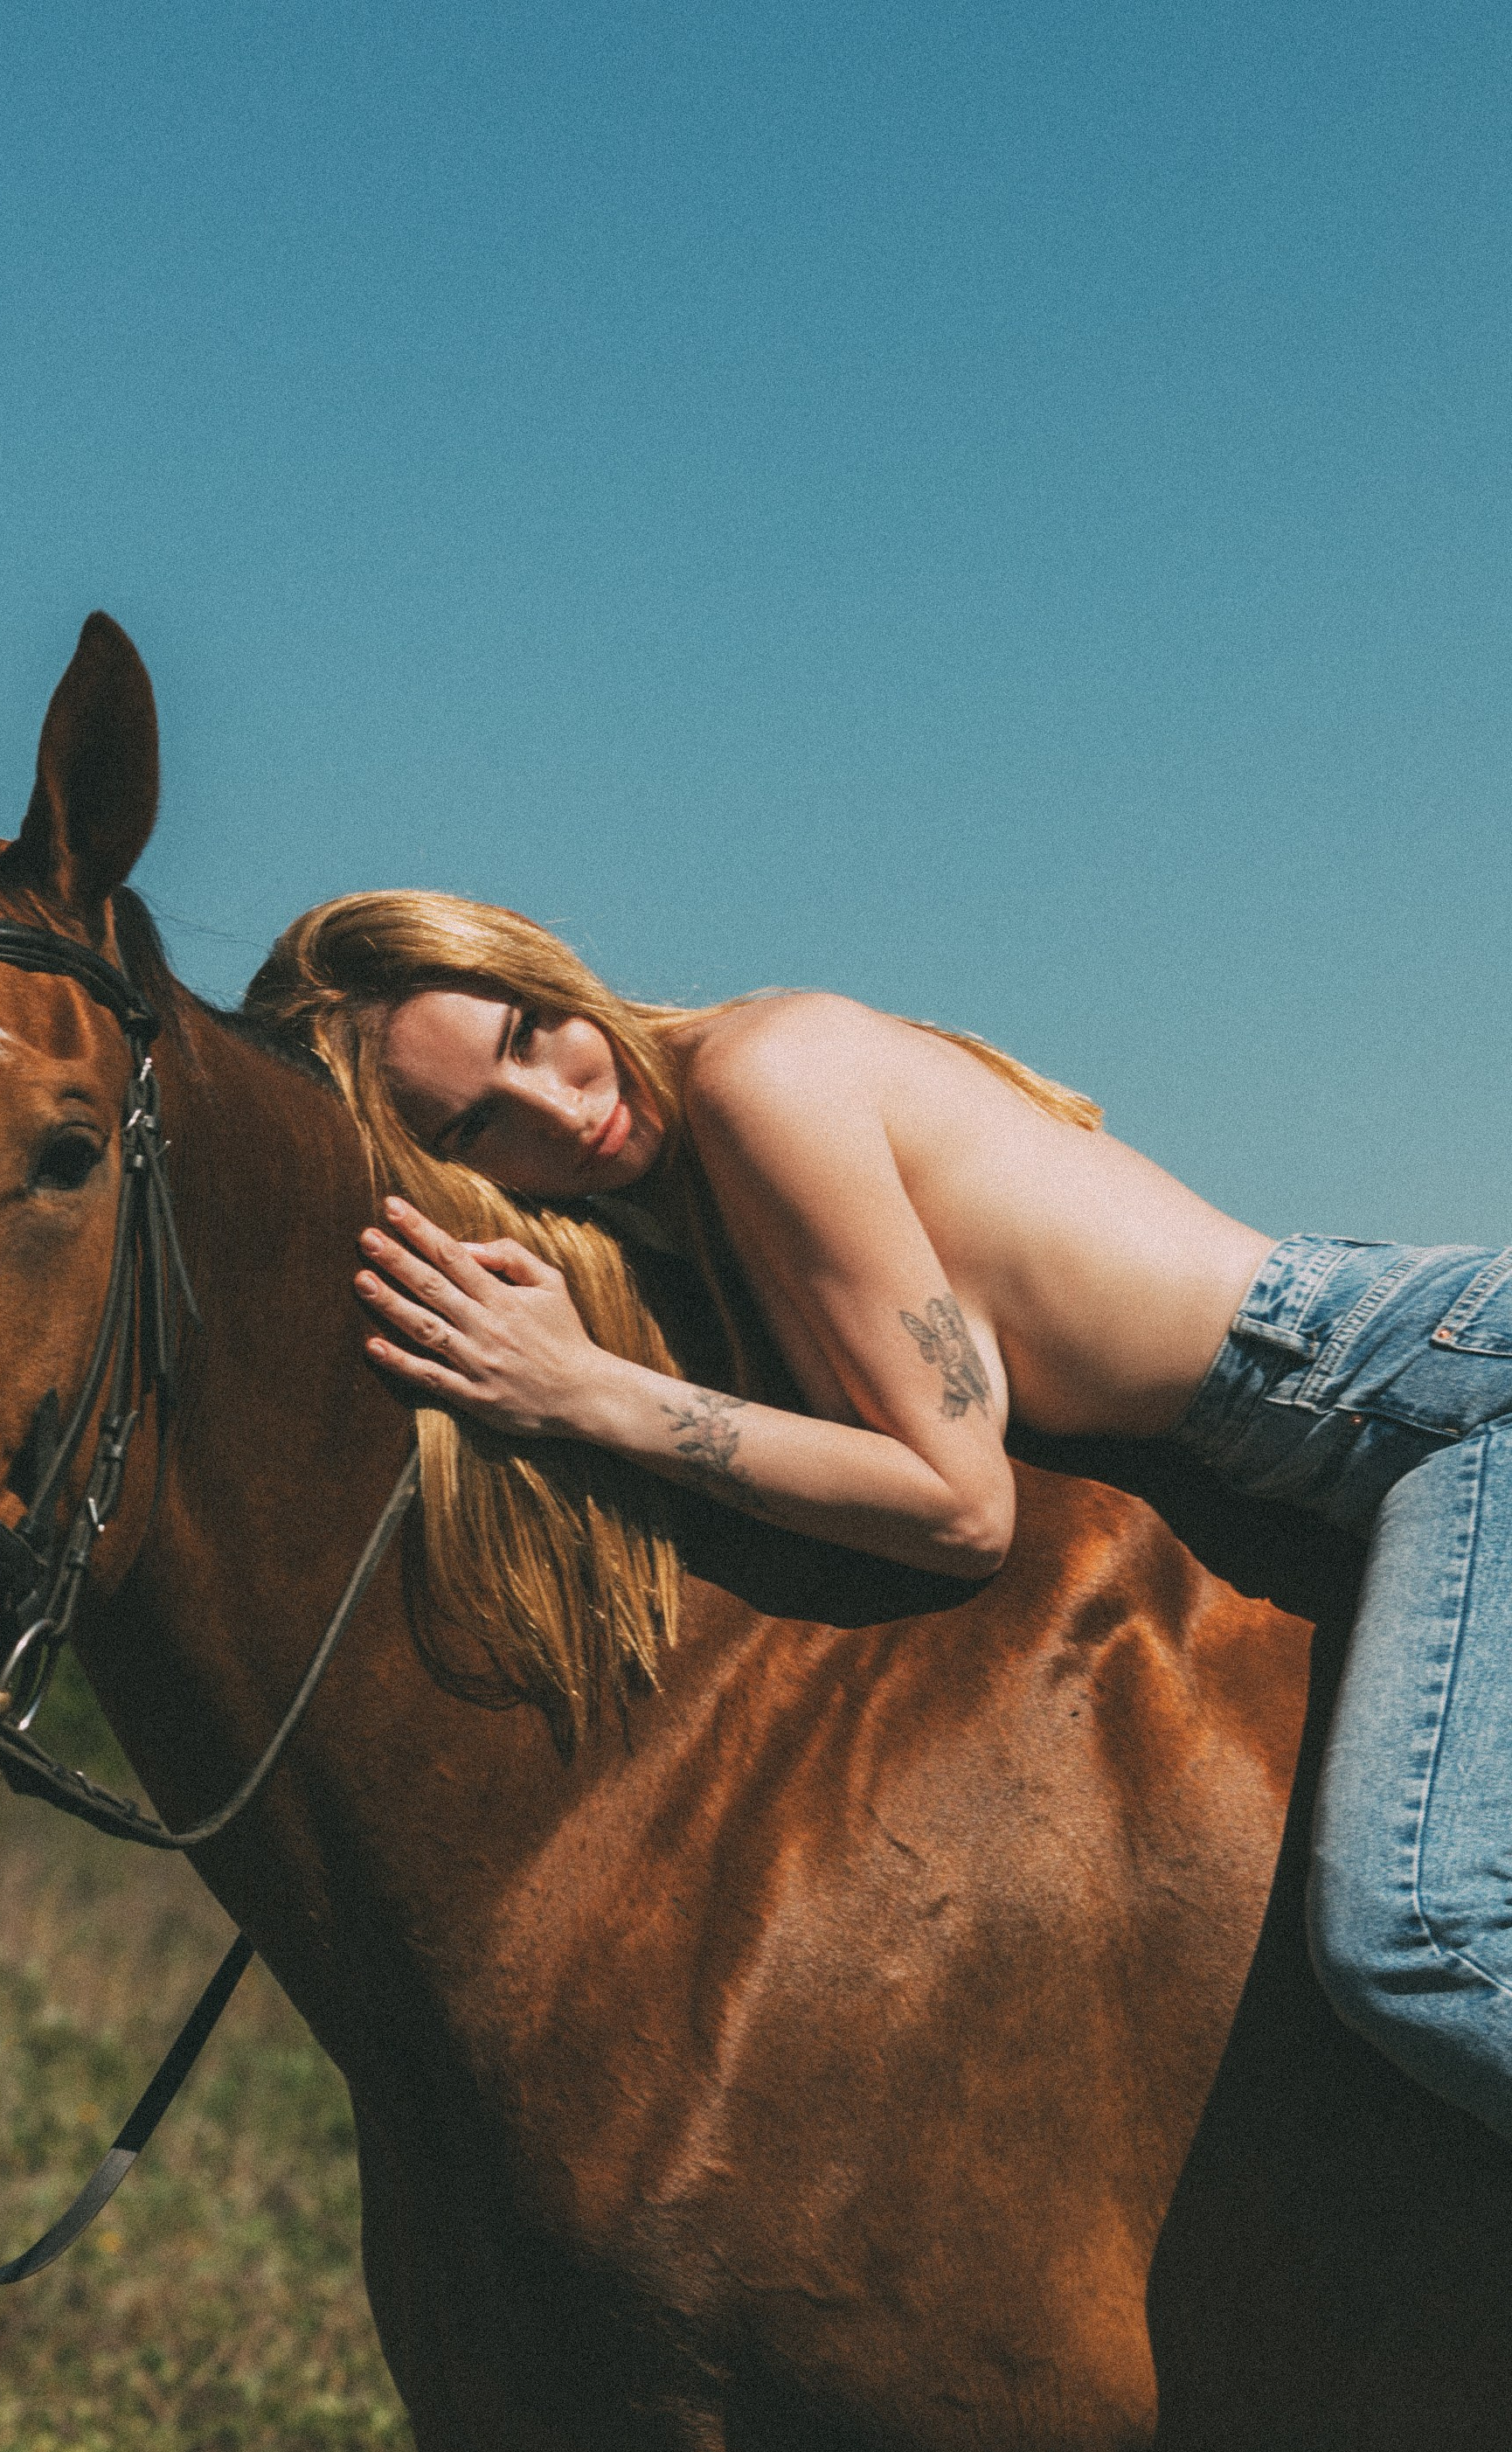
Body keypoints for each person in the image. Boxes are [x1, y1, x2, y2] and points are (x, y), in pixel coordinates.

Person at [246, 889, 1512, 2144]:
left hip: (1446, 1396)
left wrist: (590, 1393)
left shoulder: (761, 1081)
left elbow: (960, 1505)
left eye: (530, 1035)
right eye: (477, 1129)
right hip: (1372, 1411)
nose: (563, 1110)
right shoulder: (688, 1189)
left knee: (1424, 1943)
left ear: (549, 973)